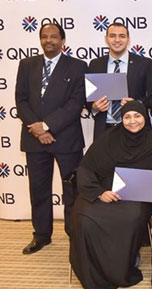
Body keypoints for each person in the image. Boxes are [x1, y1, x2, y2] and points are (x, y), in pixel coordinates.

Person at [69, 101, 152, 289]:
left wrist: (147, 185)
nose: (133, 121)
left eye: (137, 116)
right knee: (83, 217)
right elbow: (86, 168)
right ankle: (94, 269)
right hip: (105, 192)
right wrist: (99, 192)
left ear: (145, 118)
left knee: (131, 216)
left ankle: (123, 263)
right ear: (121, 119)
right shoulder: (108, 139)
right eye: (127, 117)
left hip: (137, 197)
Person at [15, 23, 87, 254]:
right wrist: (37, 129)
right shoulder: (26, 65)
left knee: (72, 191)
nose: (49, 40)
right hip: (34, 139)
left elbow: (76, 103)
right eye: (44, 36)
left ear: (63, 41)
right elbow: (21, 100)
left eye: (54, 37)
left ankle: (74, 235)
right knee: (39, 189)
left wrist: (47, 126)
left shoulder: (78, 67)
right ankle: (42, 235)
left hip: (67, 139)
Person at [87, 23, 150, 140]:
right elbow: (87, 97)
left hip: (135, 128)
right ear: (106, 39)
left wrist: (136, 104)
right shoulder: (95, 64)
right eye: (112, 36)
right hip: (104, 129)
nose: (117, 40)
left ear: (128, 39)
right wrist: (94, 107)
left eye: (122, 36)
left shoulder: (144, 64)